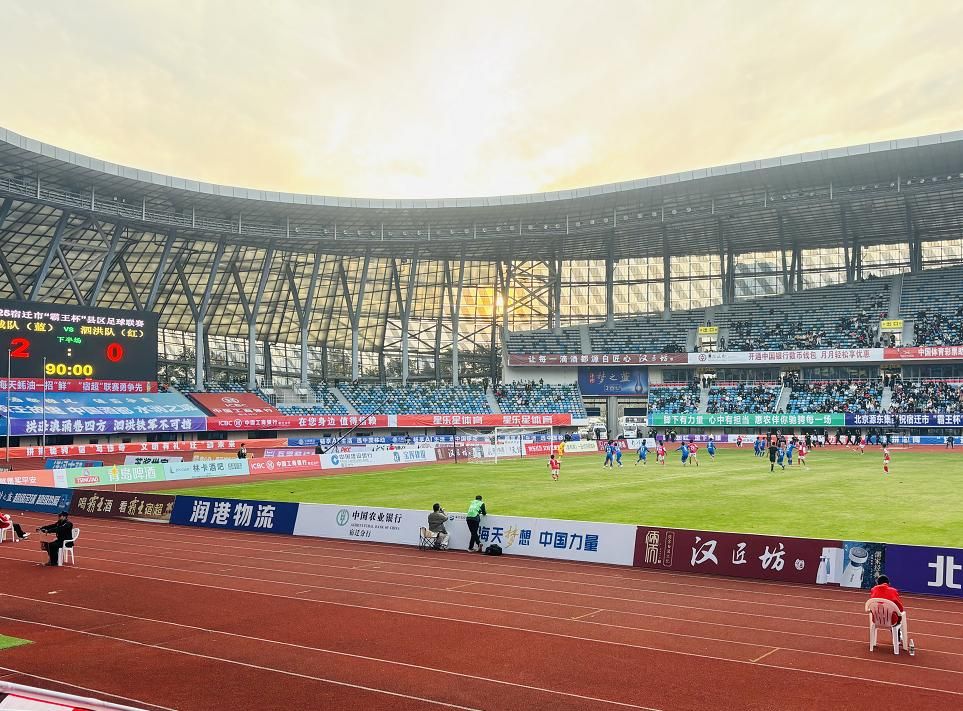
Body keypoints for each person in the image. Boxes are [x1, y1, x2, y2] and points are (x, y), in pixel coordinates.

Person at [868, 575, 912, 654]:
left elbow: (871, 605)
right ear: (888, 583)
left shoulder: (873, 590)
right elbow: (900, 608)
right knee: (898, 615)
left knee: (890, 614)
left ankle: (873, 643)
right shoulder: (893, 591)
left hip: (876, 620)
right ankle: (898, 639)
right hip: (891, 620)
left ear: (877, 583)